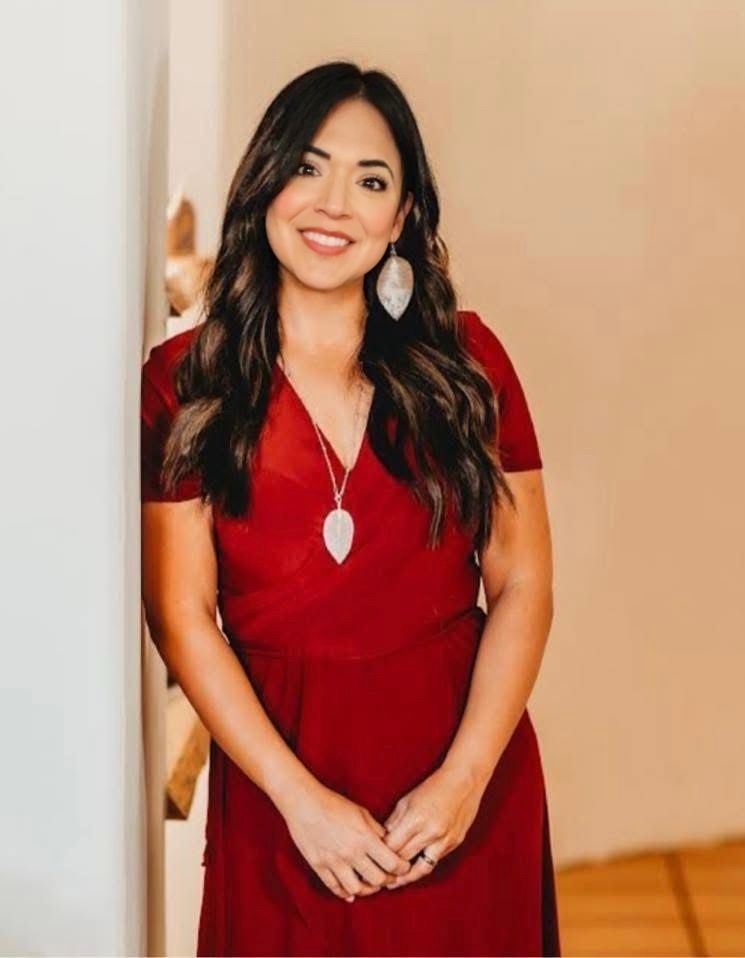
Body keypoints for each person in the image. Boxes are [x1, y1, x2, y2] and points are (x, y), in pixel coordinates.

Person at [141, 60, 561, 957]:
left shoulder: (467, 364)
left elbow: (522, 581)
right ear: (264, 183)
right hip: (283, 799)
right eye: (308, 166)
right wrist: (300, 804)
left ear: (401, 218)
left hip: (461, 790)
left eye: (371, 181)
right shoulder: (182, 386)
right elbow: (181, 617)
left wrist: (465, 779)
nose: (334, 204)